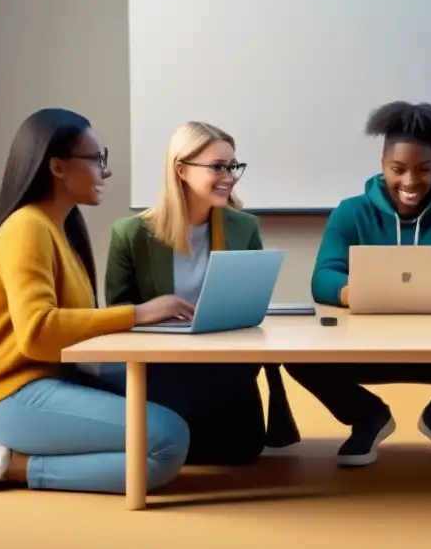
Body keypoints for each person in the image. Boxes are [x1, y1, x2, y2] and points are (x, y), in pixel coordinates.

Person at [0, 109, 191, 494]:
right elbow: (38, 333)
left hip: (48, 381)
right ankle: (12, 465)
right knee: (169, 441)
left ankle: (12, 455)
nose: (105, 172)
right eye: (96, 160)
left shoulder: (59, 229)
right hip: (9, 396)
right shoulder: (27, 228)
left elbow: (68, 325)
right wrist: (139, 313)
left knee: (172, 408)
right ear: (57, 167)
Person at [284, 101, 431, 468]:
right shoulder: (350, 211)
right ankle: (367, 415)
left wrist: (427, 295)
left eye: (424, 170)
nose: (411, 182)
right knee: (297, 357)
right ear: (382, 165)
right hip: (366, 346)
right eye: (398, 169)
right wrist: (355, 292)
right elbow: (323, 278)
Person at [99, 121, 300, 466]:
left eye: (233, 166)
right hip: (161, 365)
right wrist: (154, 309)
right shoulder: (131, 234)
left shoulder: (244, 226)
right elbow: (118, 313)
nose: (230, 176)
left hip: (222, 362)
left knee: (240, 449)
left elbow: (251, 304)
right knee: (188, 447)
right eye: (218, 167)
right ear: (181, 170)